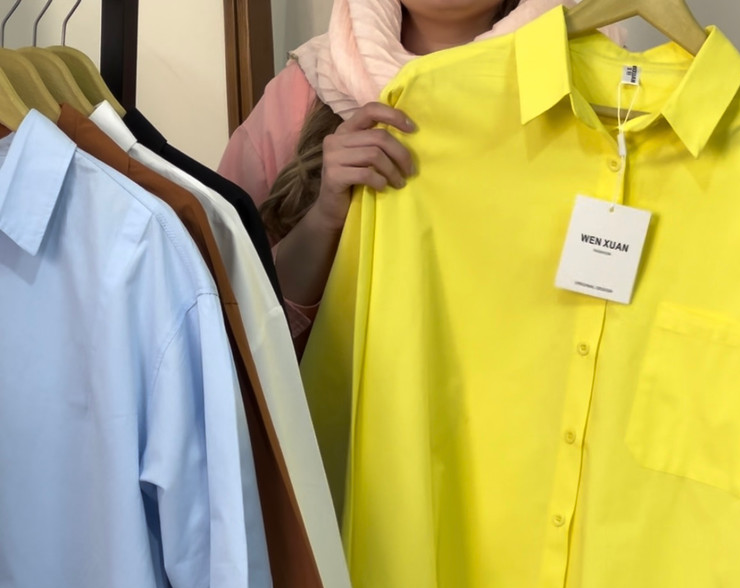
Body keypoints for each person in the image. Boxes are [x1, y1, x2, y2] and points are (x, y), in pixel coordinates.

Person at [218, 0, 620, 348]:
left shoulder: (598, 89)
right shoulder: (303, 93)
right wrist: (324, 218)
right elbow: (231, 318)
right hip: (339, 406)